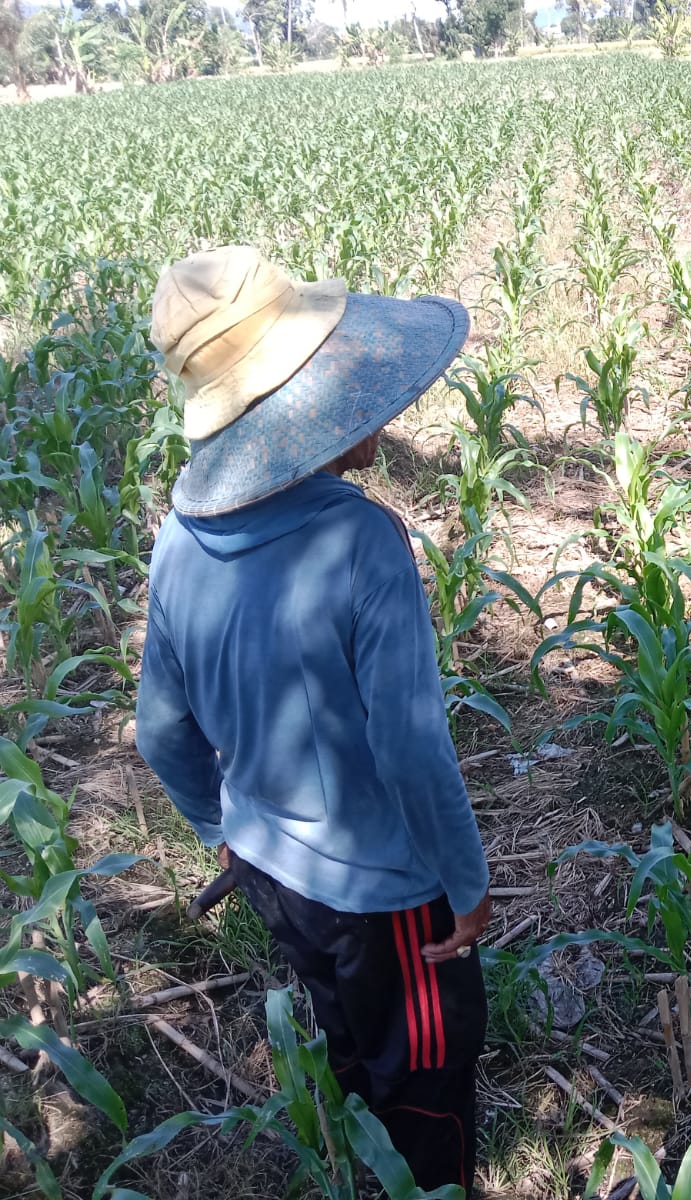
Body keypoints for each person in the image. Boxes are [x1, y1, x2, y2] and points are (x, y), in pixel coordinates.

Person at [135, 246, 491, 1190]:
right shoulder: (362, 543)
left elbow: (159, 731)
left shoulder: (178, 540)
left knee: (345, 1027)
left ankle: (365, 1146)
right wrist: (465, 881)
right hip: (387, 896)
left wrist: (221, 828)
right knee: (426, 1077)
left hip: (266, 871)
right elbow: (411, 748)